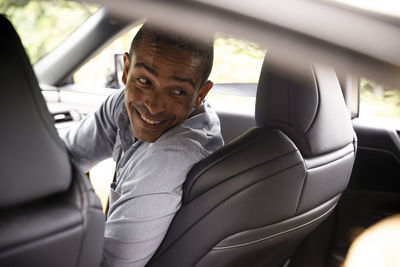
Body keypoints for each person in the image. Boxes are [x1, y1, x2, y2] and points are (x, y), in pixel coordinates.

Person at [62, 24, 224, 266]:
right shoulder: (123, 106)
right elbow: (66, 155)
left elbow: (109, 264)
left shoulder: (171, 157)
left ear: (201, 94)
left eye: (178, 91)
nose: (154, 105)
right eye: (145, 81)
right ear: (126, 70)